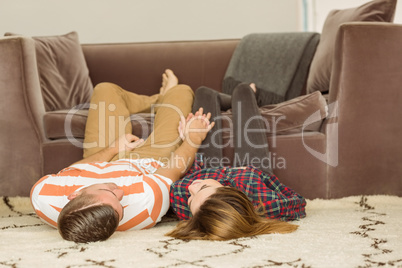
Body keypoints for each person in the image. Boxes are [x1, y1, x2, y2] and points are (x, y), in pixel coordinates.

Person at [30, 70, 214, 243]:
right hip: (152, 159)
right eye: (120, 203)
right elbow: (175, 167)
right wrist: (194, 137)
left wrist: (112, 149)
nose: (120, 192)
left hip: (106, 156)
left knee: (105, 89)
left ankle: (158, 99)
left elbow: (74, 171)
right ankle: (166, 97)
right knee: (181, 91)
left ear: (74, 194)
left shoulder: (44, 195)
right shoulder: (145, 206)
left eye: (109, 192)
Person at [166, 83, 306, 241]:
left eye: (191, 199)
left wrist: (189, 138)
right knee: (243, 90)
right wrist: (242, 172)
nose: (191, 187)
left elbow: (182, 176)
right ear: (228, 189)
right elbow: (299, 203)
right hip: (252, 171)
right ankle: (243, 98)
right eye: (203, 188)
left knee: (203, 92)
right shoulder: (262, 202)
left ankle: (226, 101)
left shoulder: (182, 198)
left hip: (206, 169)